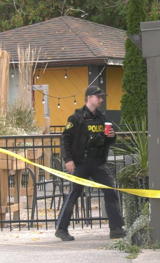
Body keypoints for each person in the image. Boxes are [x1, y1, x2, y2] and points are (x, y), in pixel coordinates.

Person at [54, 85, 126, 241]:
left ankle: (116, 229)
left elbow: (109, 139)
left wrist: (112, 136)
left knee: (111, 190)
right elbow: (65, 139)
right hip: (81, 162)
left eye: (102, 97)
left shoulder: (102, 118)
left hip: (98, 163)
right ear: (89, 98)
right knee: (73, 194)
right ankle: (61, 229)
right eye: (98, 97)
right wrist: (68, 159)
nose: (101, 100)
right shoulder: (76, 118)